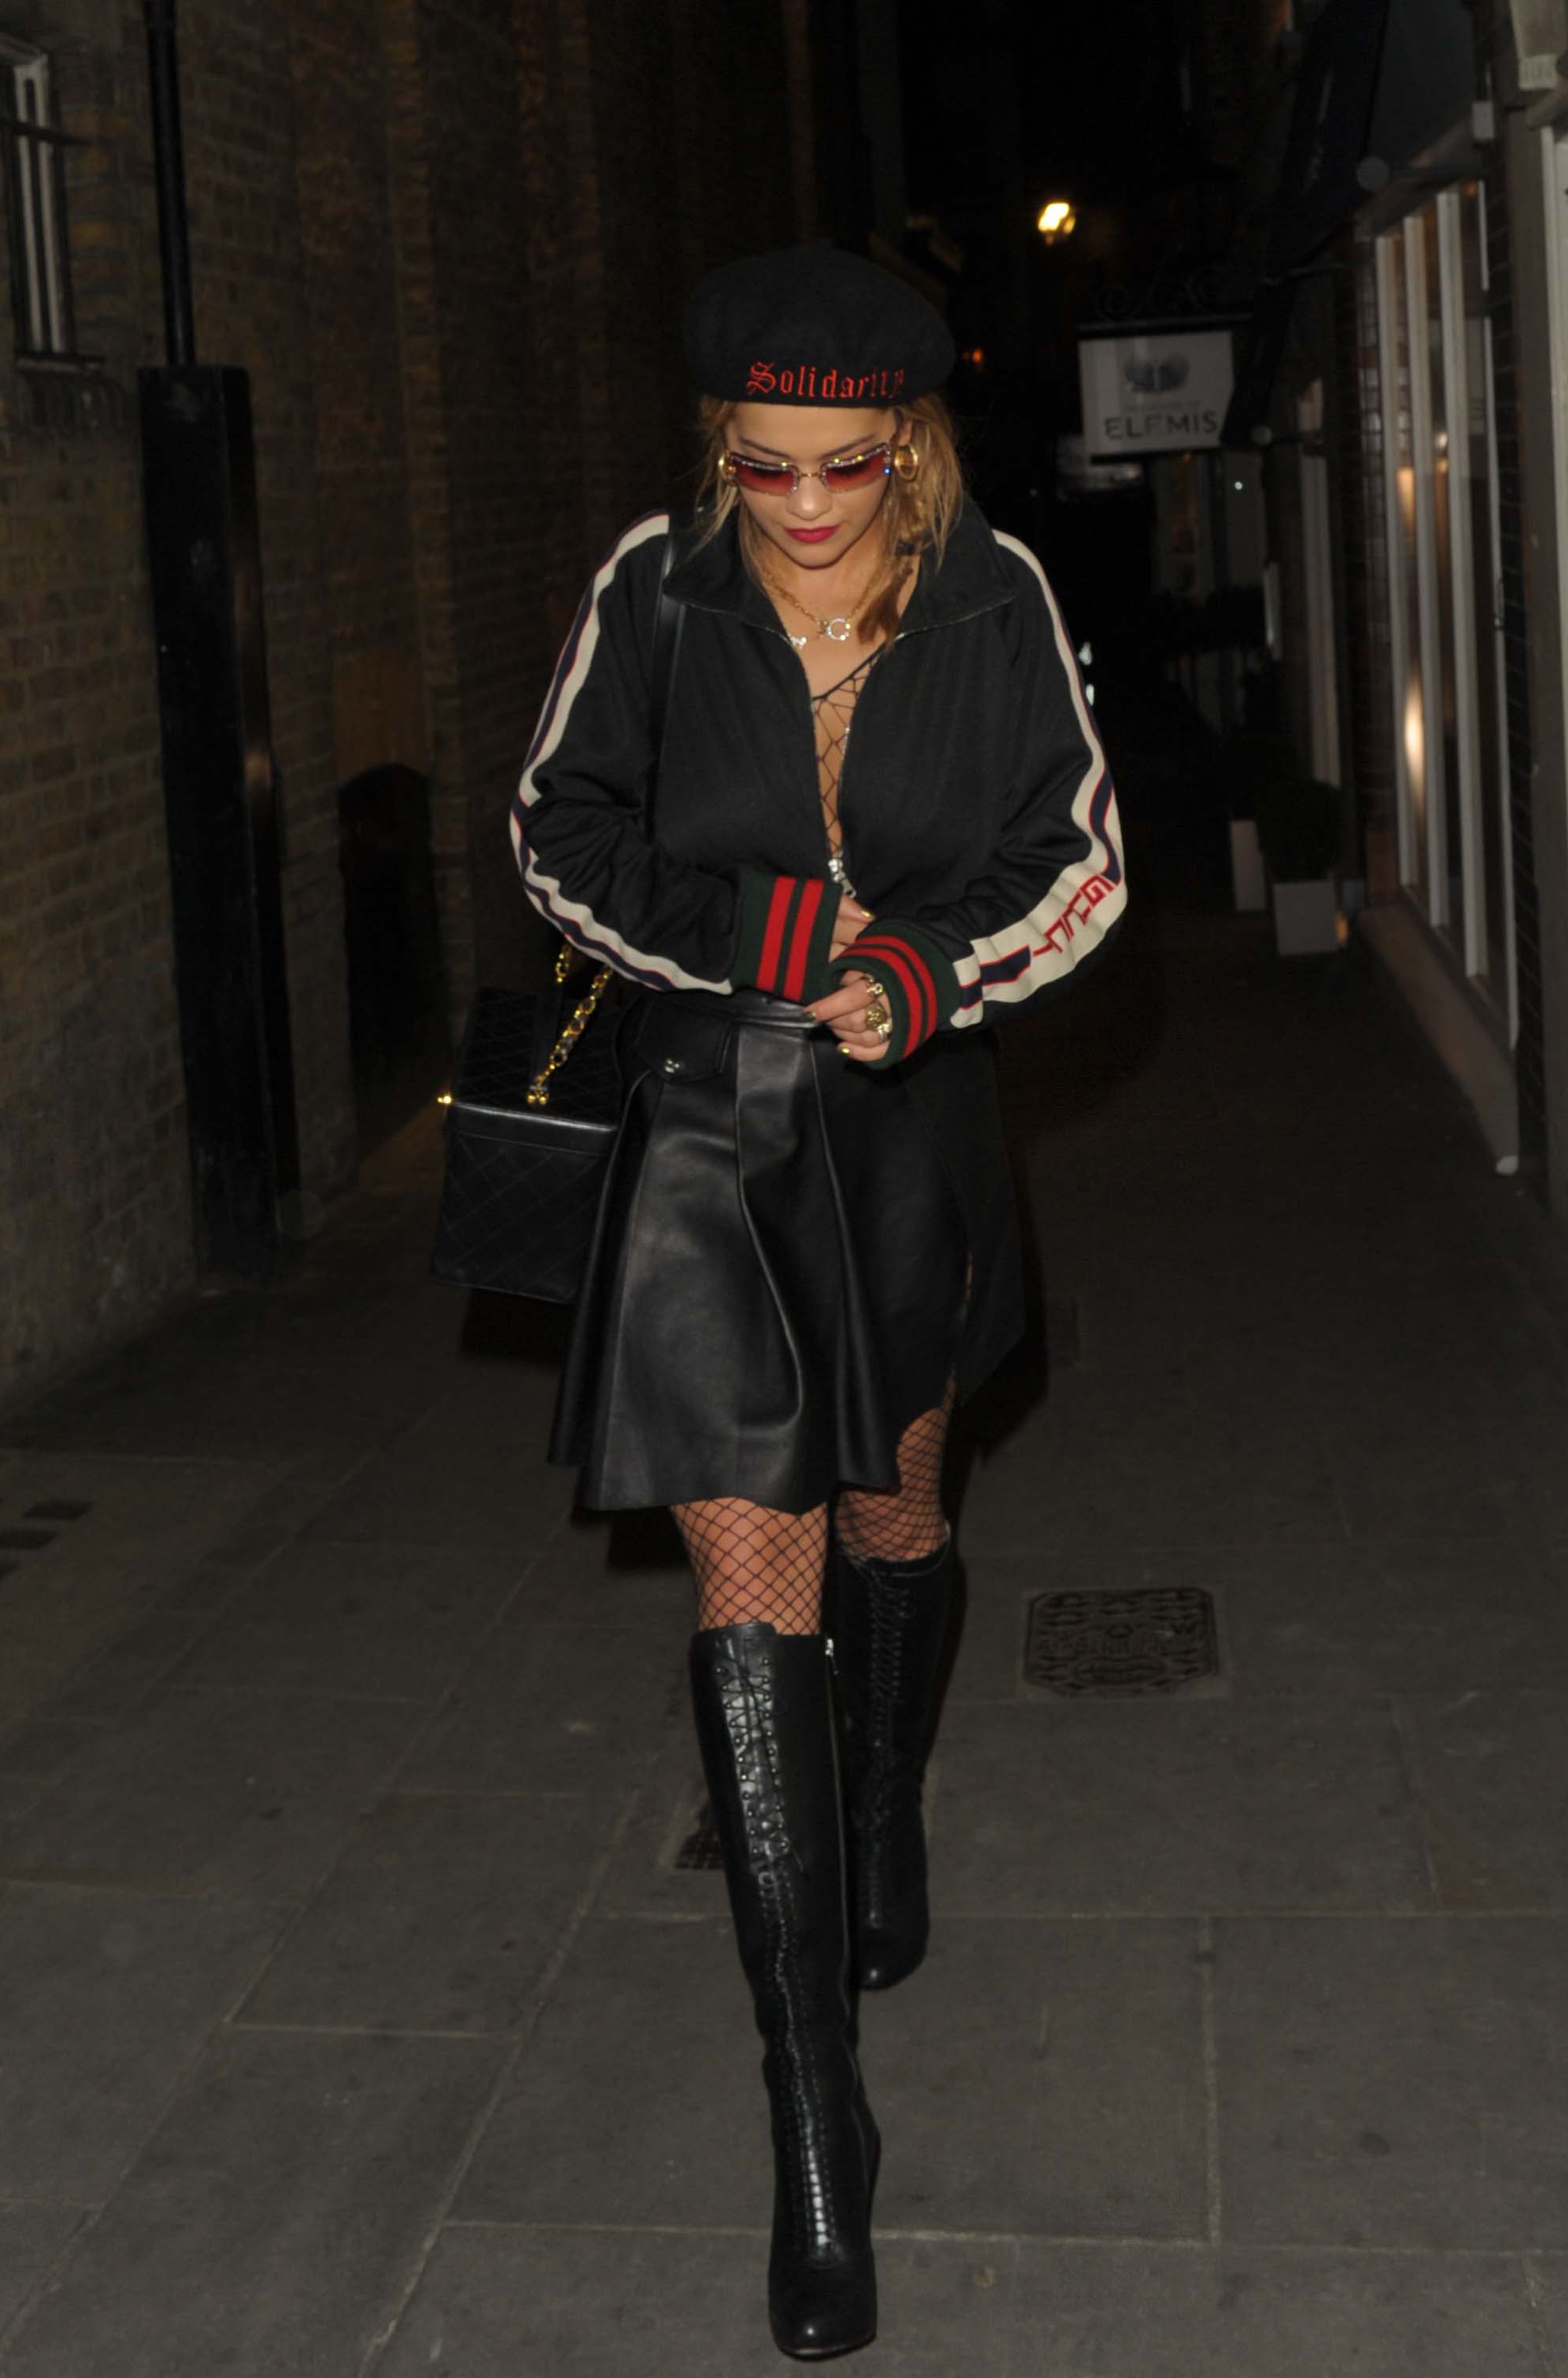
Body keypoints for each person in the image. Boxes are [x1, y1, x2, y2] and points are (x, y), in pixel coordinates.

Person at [511, 243, 1124, 2361]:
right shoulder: (654, 591)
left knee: (892, 1519)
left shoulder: (993, 600)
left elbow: (1078, 860)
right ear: (720, 446)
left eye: (839, 465)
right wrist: (773, 942)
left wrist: (925, 974)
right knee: (748, 1590)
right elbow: (558, 832)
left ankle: (882, 1816)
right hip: (708, 1137)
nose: (796, 504)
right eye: (758, 463)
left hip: (906, 1136)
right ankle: (812, 2123)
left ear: (910, 447)